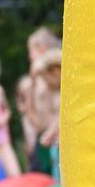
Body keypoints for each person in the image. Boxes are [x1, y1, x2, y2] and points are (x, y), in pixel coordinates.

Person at [18, 27, 62, 167]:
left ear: (42, 49)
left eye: (31, 51)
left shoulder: (49, 73)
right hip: (45, 136)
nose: (29, 56)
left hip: (53, 137)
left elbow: (57, 109)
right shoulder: (36, 78)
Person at [26, 48, 62, 177]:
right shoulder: (51, 92)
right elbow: (35, 118)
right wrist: (32, 82)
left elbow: (59, 117)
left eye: (44, 77)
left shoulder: (62, 95)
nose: (45, 82)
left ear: (55, 71)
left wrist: (50, 133)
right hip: (53, 144)